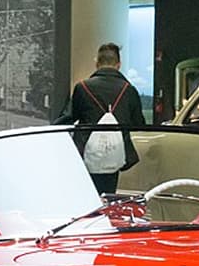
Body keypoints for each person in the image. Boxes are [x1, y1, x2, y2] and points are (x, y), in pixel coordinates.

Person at [57, 42, 145, 194]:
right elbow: (138, 123)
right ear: (119, 65)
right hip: (115, 153)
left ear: (97, 63)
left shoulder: (82, 87)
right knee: (109, 194)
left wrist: (49, 130)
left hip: (86, 152)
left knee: (87, 195)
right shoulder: (129, 90)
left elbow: (68, 117)